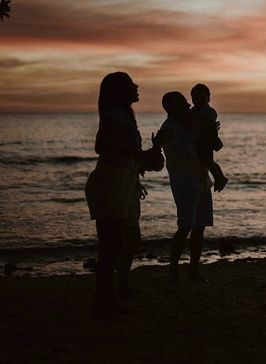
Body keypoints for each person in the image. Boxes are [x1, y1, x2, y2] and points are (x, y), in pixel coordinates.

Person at [85, 72, 164, 317]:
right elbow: (102, 146)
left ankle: (115, 294)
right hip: (112, 181)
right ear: (120, 91)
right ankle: (104, 303)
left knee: (127, 241)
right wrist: (138, 155)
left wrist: (148, 155)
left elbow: (124, 152)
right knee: (111, 246)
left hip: (124, 182)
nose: (137, 86)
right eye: (131, 83)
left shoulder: (124, 117)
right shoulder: (114, 116)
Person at [157, 91, 213, 283]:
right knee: (186, 225)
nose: (188, 106)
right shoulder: (169, 129)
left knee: (199, 226)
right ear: (172, 108)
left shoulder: (186, 124)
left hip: (200, 178)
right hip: (185, 183)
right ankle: (173, 270)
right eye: (183, 104)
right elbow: (189, 152)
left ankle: (193, 271)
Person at [190, 83, 228, 192]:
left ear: (208, 98)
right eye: (195, 98)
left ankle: (218, 177)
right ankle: (220, 177)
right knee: (209, 161)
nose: (198, 100)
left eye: (202, 97)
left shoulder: (209, 111)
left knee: (208, 161)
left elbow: (211, 127)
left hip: (205, 141)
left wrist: (214, 141)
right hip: (198, 140)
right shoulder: (193, 111)